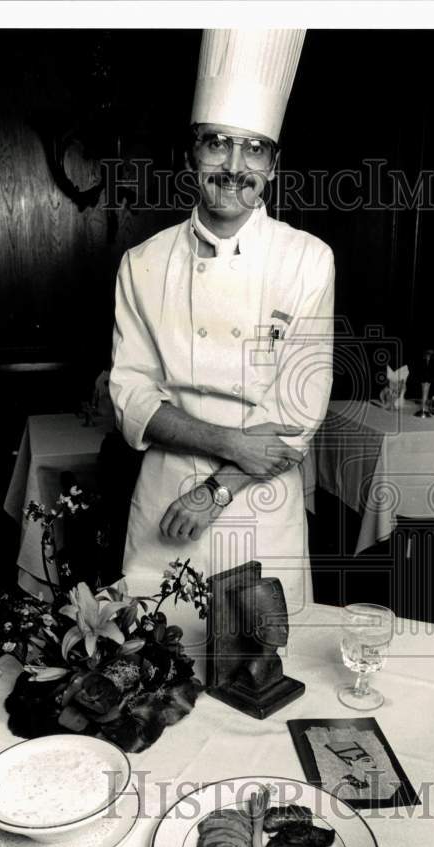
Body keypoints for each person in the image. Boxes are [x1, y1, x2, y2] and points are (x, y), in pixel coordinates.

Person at [109, 29, 334, 615]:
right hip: (166, 503)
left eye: (253, 148)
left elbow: (299, 406)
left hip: (260, 503)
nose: (234, 167)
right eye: (217, 144)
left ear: (273, 164)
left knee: (262, 678)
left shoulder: (308, 259)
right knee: (148, 666)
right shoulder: (142, 263)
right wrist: (231, 442)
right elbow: (130, 394)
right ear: (191, 154)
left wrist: (218, 487)